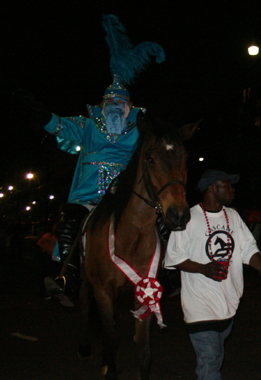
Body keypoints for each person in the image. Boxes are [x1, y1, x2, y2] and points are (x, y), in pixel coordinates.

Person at [29, 15, 164, 306]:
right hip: (88, 193)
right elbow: (62, 127)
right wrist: (42, 116)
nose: (116, 108)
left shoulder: (138, 129)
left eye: (122, 104)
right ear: (102, 105)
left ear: (130, 107)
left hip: (125, 193)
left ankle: (168, 272)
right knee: (68, 224)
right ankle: (69, 275)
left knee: (161, 218)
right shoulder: (88, 125)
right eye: (111, 103)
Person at [164, 169, 261, 380]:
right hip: (199, 303)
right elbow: (174, 257)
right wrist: (204, 268)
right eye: (228, 185)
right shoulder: (187, 218)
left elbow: (248, 248)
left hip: (228, 302)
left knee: (214, 356)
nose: (233, 190)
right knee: (211, 355)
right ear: (213, 188)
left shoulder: (233, 217)